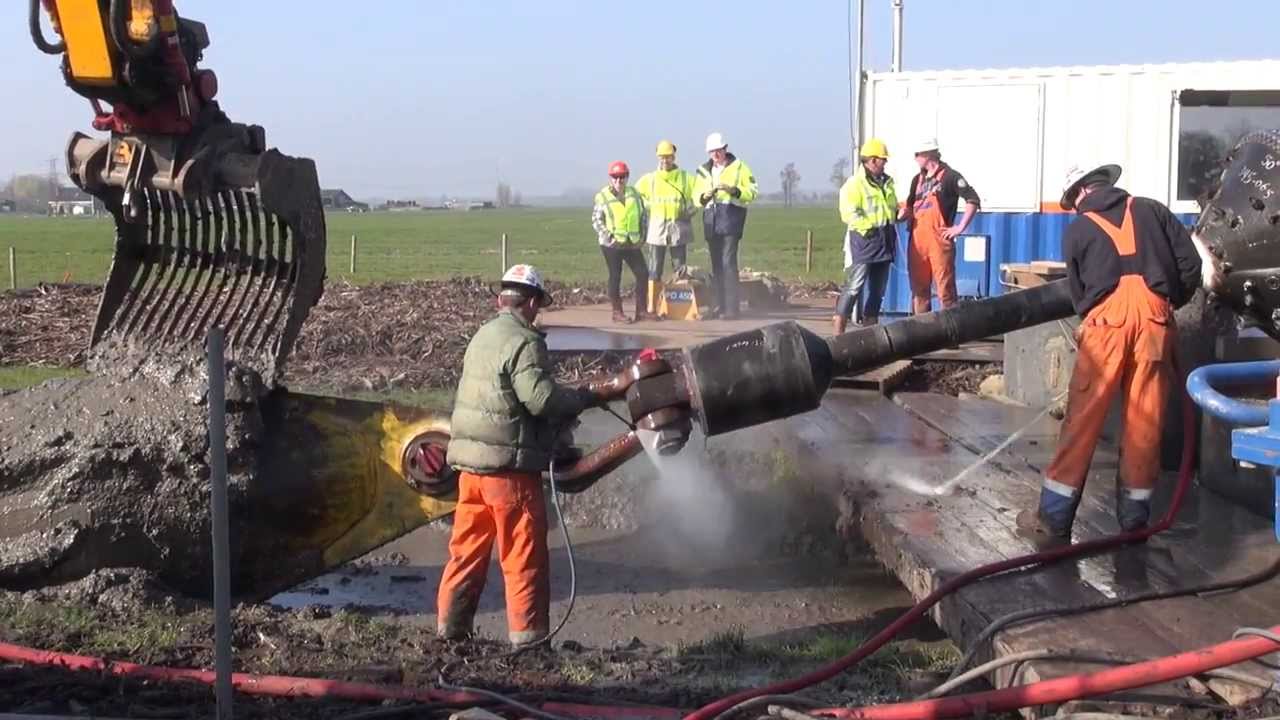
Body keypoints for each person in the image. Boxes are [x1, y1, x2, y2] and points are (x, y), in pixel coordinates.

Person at [1017, 164, 1201, 540]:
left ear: (1082, 192)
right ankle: (1134, 522)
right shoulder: (1152, 210)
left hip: (1105, 327)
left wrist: (1100, 312)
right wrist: (1166, 306)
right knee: (1144, 422)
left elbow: (1078, 291)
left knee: (1083, 420)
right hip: (1155, 322)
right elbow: (1190, 265)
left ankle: (1053, 520)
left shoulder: (1079, 230)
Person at [437, 264, 606, 645]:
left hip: (470, 470)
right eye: (537, 305)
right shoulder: (525, 341)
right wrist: (582, 398)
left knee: (466, 553)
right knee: (522, 557)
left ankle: (450, 631)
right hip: (508, 473)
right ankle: (528, 642)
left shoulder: (483, 335)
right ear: (530, 303)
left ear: (501, 300)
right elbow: (541, 398)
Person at [903, 139, 980, 314]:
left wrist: (959, 228)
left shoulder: (951, 177)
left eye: (917, 155)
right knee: (919, 292)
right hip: (917, 243)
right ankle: (922, 335)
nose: (915, 159)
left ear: (928, 155)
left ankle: (951, 338)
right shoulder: (917, 180)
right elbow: (909, 207)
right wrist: (899, 215)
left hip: (939, 241)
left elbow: (972, 199)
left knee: (945, 292)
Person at [834, 138, 898, 334]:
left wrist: (898, 213)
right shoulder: (854, 185)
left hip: (885, 242)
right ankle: (838, 331)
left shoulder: (887, 183)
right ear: (871, 160)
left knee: (878, 291)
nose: (885, 163)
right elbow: (849, 213)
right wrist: (869, 228)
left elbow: (890, 208)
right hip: (864, 243)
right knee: (854, 287)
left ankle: (870, 332)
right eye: (882, 159)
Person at [696, 132, 758, 319]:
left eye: (719, 150)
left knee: (728, 262)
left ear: (725, 149)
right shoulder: (702, 170)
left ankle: (732, 308)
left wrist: (735, 191)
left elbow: (753, 191)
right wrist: (704, 196)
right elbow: (696, 195)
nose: (716, 154)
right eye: (712, 151)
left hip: (731, 218)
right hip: (711, 220)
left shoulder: (740, 167)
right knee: (716, 265)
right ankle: (718, 306)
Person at [634, 140, 698, 315]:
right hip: (657, 227)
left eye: (668, 157)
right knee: (655, 268)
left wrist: (691, 211)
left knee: (680, 267)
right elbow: (636, 196)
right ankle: (652, 307)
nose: (665, 160)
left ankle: (680, 309)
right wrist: (648, 206)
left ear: (673, 156)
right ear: (657, 158)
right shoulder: (650, 179)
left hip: (679, 225)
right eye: (662, 157)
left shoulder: (686, 178)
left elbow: (701, 195)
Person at [591, 161, 650, 323]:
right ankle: (617, 312)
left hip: (632, 243)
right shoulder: (603, 196)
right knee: (615, 276)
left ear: (627, 177)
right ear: (610, 178)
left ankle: (642, 311)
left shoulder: (635, 194)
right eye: (615, 177)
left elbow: (643, 216)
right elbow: (597, 220)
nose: (619, 181)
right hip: (612, 245)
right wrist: (610, 237)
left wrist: (643, 237)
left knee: (643, 273)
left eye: (622, 177)